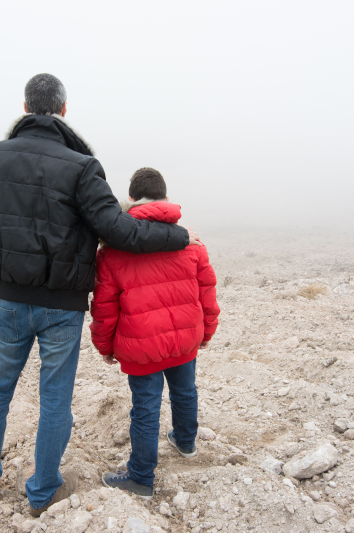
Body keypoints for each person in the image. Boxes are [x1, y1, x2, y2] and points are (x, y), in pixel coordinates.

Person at [0, 74, 201, 516]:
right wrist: (178, 236)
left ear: (25, 107)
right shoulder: (82, 167)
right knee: (55, 399)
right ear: (63, 110)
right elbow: (120, 230)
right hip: (61, 309)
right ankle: (43, 492)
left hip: (8, 300)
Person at [89, 167, 219, 500]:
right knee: (185, 389)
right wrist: (206, 331)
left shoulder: (113, 252)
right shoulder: (192, 243)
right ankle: (186, 442)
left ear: (130, 200)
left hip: (140, 347)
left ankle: (141, 478)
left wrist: (104, 346)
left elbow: (104, 308)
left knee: (145, 408)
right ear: (165, 197)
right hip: (184, 339)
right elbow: (207, 292)